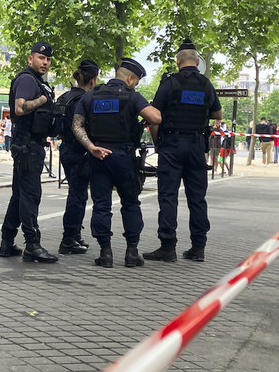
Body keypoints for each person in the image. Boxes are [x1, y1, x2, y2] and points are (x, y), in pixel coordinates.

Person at [72, 58, 161, 268]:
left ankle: (105, 253)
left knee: (101, 205)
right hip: (124, 158)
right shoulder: (133, 97)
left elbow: (77, 126)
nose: (135, 85)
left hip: (98, 157)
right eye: (136, 82)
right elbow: (156, 118)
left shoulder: (91, 96)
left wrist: (91, 147)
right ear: (129, 78)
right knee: (130, 204)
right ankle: (132, 252)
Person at [143, 39, 222, 263]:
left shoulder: (170, 83)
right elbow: (217, 114)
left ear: (178, 62)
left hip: (172, 144)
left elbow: (154, 116)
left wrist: (158, 144)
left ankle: (168, 247)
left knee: (168, 196)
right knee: (197, 197)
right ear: (197, 62)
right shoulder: (207, 85)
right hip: (197, 146)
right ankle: (198, 247)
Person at [0, 41, 58, 263]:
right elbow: (19, 108)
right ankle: (32, 244)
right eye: (41, 58)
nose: (45, 62)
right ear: (30, 58)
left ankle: (7, 241)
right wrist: (43, 99)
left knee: (19, 195)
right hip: (27, 146)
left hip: (29, 145)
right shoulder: (27, 79)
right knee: (30, 195)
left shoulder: (35, 81)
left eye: (48, 59)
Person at [57, 59, 100, 255]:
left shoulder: (66, 96)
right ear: (93, 80)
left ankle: (74, 235)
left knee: (77, 193)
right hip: (80, 151)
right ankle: (69, 238)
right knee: (78, 195)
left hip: (66, 149)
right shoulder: (86, 100)